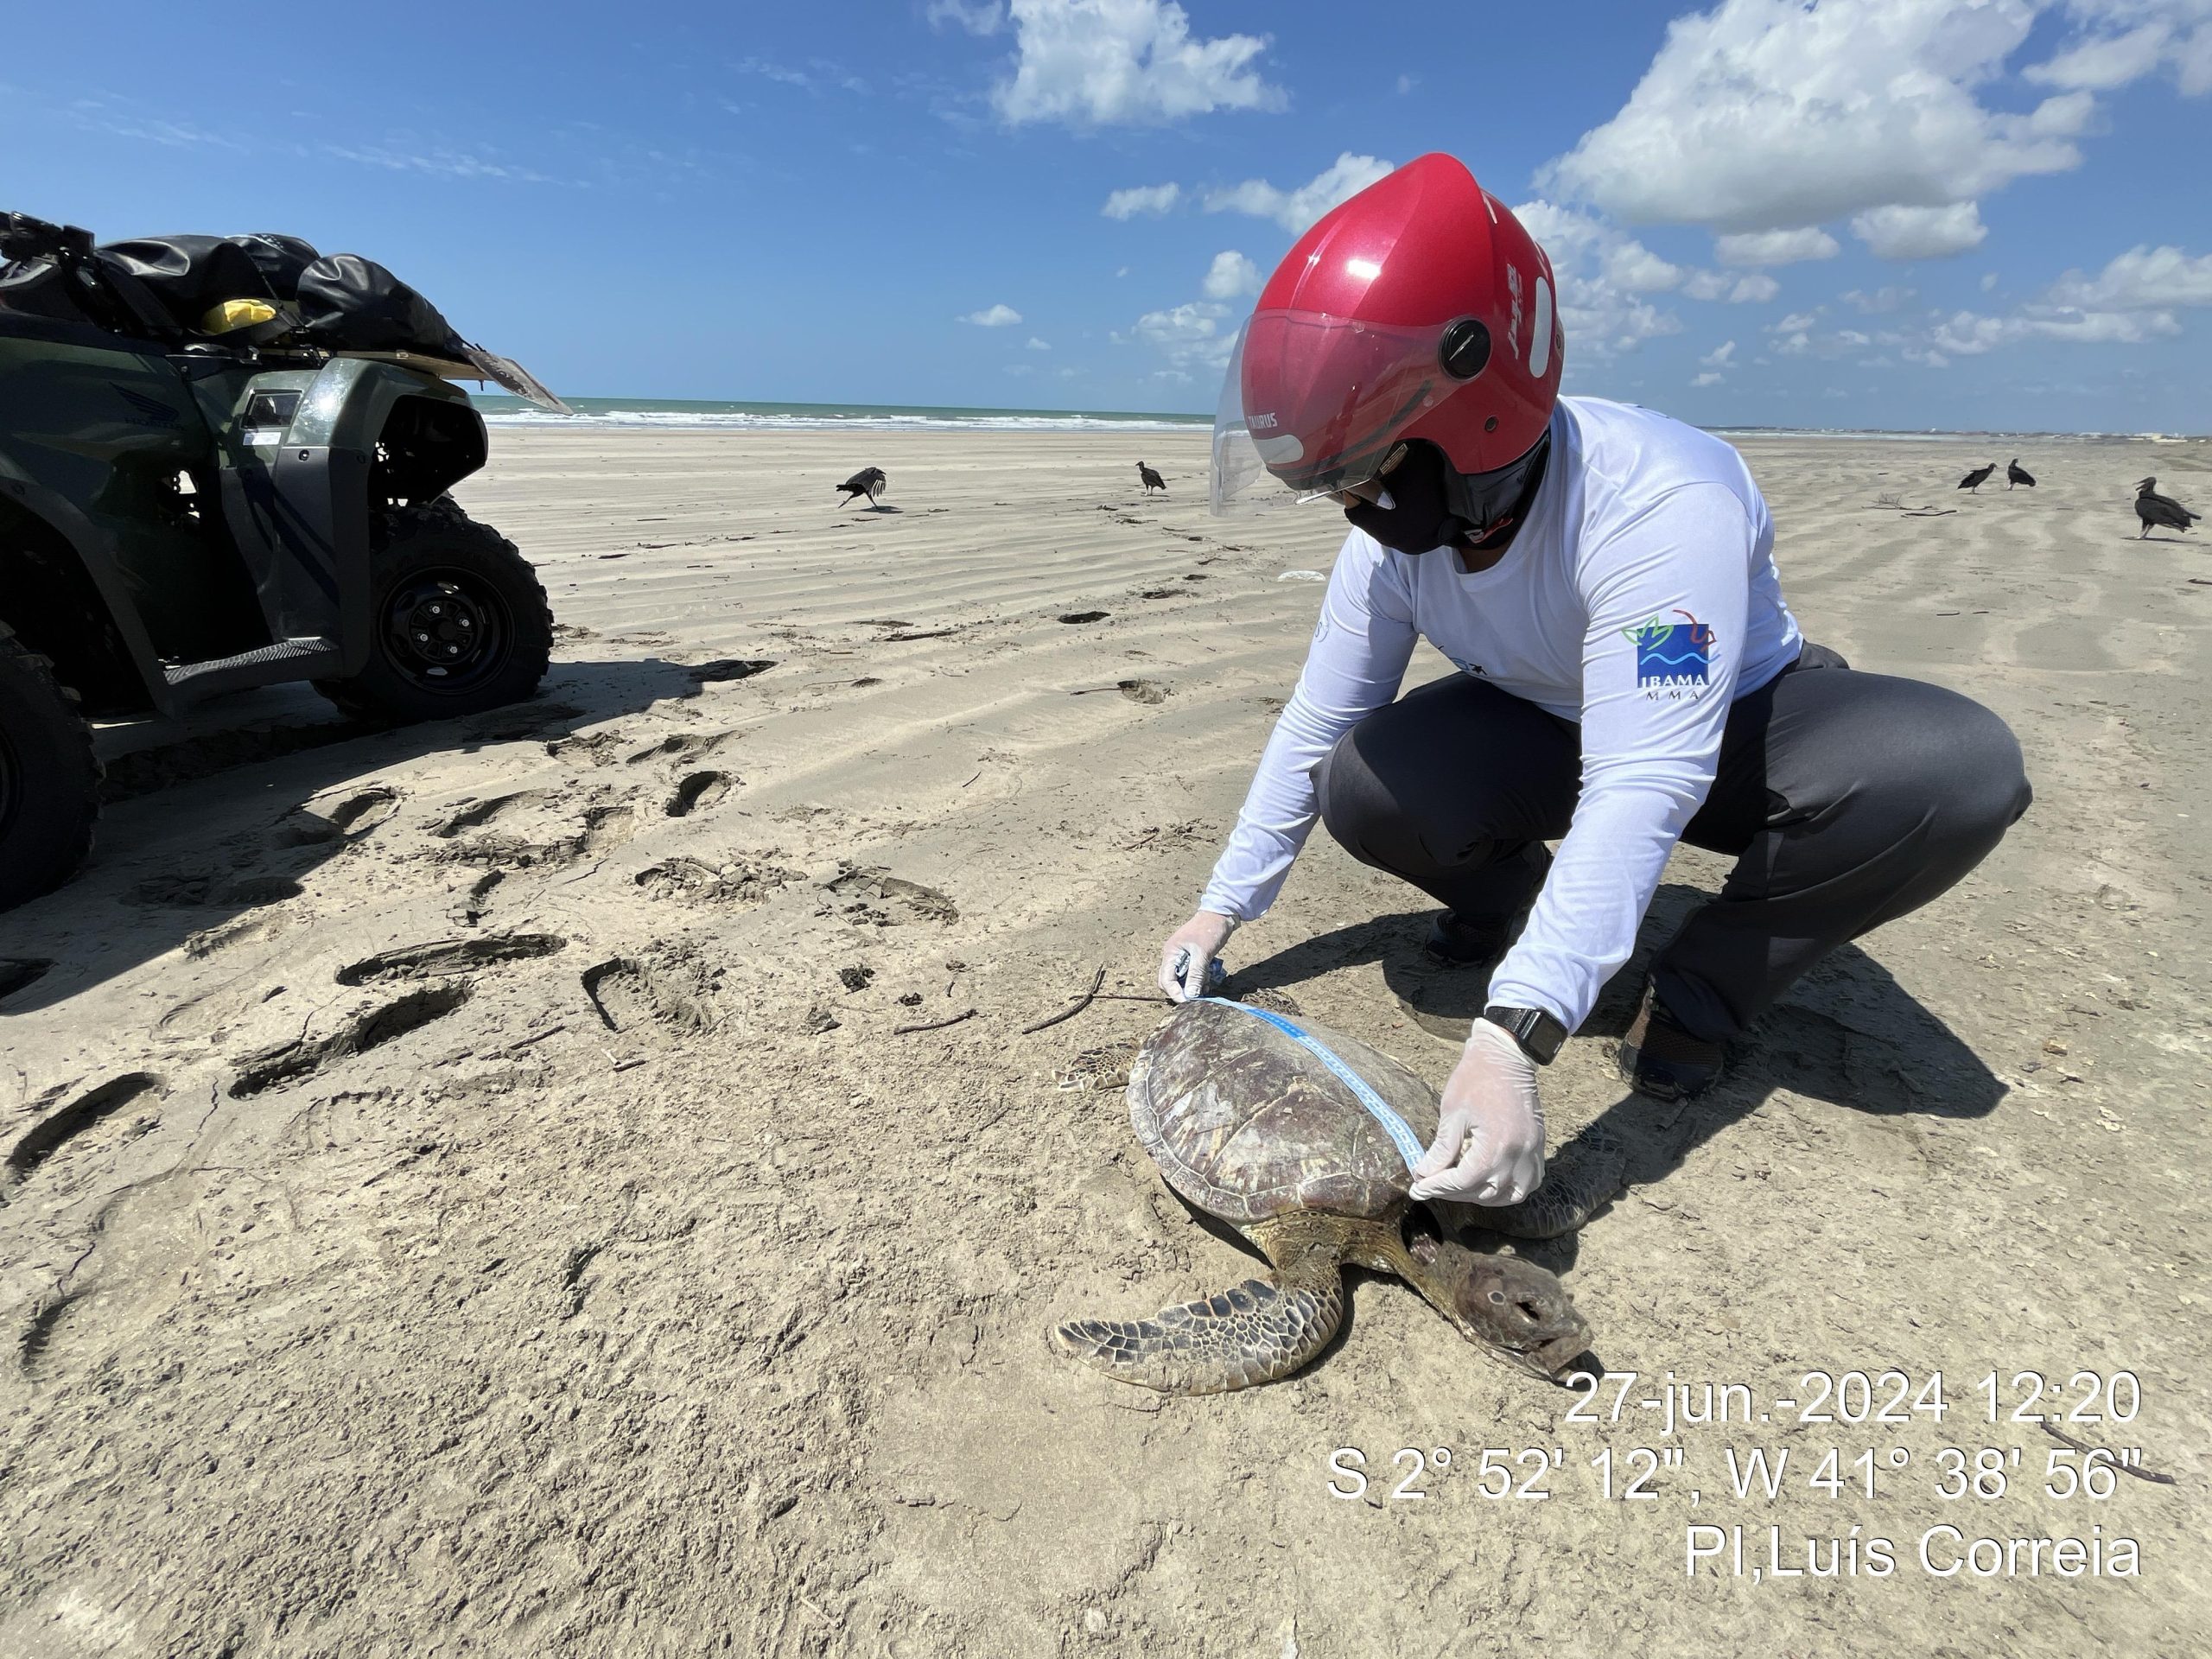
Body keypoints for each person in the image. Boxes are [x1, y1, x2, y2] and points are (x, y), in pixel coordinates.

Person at [1158, 154, 2031, 1213]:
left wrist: (1513, 1033)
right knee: (1363, 778)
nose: (1353, 502)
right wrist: (1219, 911)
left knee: (1953, 770)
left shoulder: (1661, 501)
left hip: (1742, 727)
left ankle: (1704, 987)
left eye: (1365, 470)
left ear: (1470, 420)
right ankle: (1519, 906)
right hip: (1548, 724)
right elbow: (1319, 718)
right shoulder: (1391, 545)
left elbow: (1647, 774)